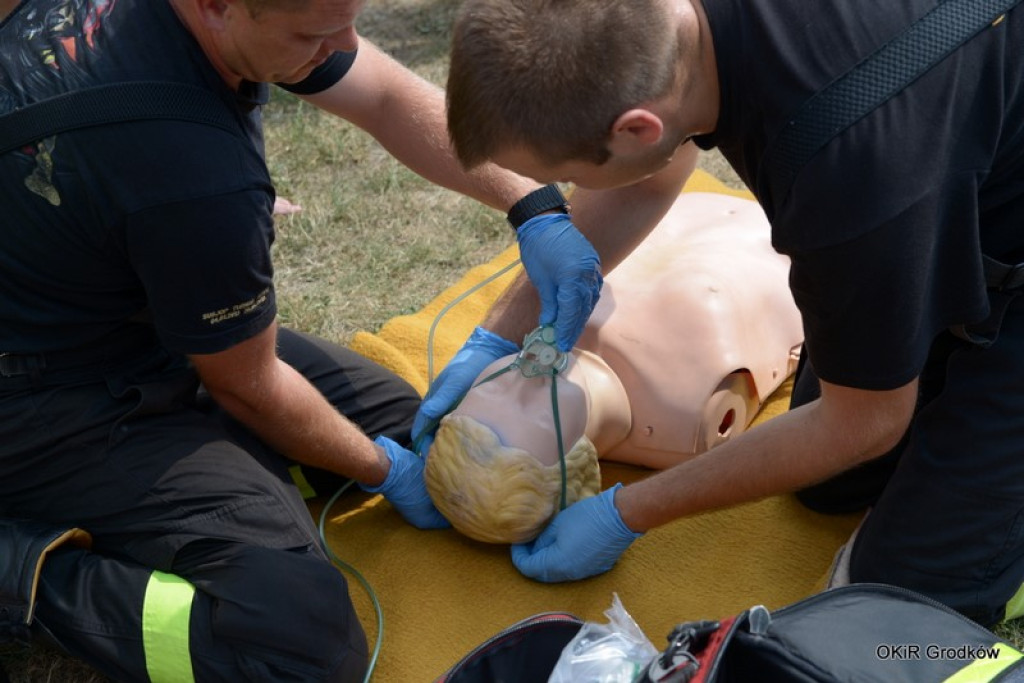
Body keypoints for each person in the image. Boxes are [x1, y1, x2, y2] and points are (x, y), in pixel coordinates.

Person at [0, 0, 636, 679]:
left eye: (350, 16)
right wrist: (383, 470)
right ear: (216, 7)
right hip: (43, 398)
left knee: (402, 421)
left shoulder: (225, 28)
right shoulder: (194, 172)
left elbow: (389, 97)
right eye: (315, 33)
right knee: (302, 646)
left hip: (121, 315)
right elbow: (249, 384)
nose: (341, 44)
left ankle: (212, 471)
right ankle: (23, 573)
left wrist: (533, 206)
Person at [414, 0, 1024, 628]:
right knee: (827, 487)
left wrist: (629, 512)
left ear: (636, 128)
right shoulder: (673, 36)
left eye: (568, 177)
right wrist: (495, 339)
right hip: (956, 168)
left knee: (891, 621)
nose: (573, 197)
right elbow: (652, 171)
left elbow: (865, 422)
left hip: (969, 220)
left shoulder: (849, 172)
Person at [424, 190, 802, 544]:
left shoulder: (530, 325)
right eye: (532, 413)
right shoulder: (685, 418)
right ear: (574, 467)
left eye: (493, 387)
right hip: (792, 235)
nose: (525, 376)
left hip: (671, 201)